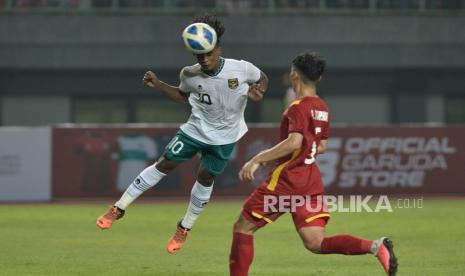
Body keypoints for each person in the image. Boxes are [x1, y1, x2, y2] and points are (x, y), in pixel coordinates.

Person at [96, 12, 269, 255]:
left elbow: (262, 78)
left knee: (206, 178)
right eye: (200, 55)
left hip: (225, 136)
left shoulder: (241, 69)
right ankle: (118, 208)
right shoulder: (189, 73)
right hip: (195, 129)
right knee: (164, 163)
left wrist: (259, 91)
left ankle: (184, 227)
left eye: (209, 53)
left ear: (218, 48)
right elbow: (182, 95)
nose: (205, 59)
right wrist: (158, 84)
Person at [229, 51, 397, 276]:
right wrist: (305, 152)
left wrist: (257, 159)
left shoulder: (298, 107)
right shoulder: (322, 107)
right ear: (318, 78)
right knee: (316, 242)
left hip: (287, 182)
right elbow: (323, 146)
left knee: (243, 227)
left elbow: (294, 142)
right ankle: (376, 246)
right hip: (310, 182)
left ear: (294, 75)